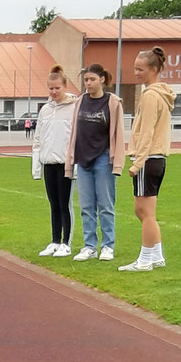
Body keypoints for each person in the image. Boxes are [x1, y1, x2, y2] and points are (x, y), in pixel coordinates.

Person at [120, 46, 174, 272]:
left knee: (145, 212)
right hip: (155, 158)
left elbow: (147, 131)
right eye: (135, 68)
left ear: (153, 69)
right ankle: (156, 255)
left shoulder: (152, 96)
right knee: (142, 211)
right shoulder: (158, 94)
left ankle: (145, 259)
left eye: (140, 69)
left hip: (150, 158)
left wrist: (137, 162)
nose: (136, 73)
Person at [64, 61, 125, 261]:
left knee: (106, 205)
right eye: (85, 81)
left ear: (102, 79)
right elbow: (74, 131)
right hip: (83, 160)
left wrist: (116, 162)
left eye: (91, 80)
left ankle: (108, 246)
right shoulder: (80, 102)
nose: (88, 84)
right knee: (86, 206)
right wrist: (71, 160)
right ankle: (89, 246)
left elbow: (118, 133)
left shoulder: (113, 103)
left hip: (103, 158)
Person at [30, 65, 76, 255]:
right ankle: (55, 240)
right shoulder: (45, 110)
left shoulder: (74, 107)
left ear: (64, 86)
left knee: (65, 203)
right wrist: (36, 166)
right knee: (53, 203)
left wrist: (74, 162)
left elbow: (75, 137)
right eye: (51, 88)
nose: (54, 91)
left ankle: (66, 242)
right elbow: (38, 138)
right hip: (48, 162)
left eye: (57, 88)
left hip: (65, 163)